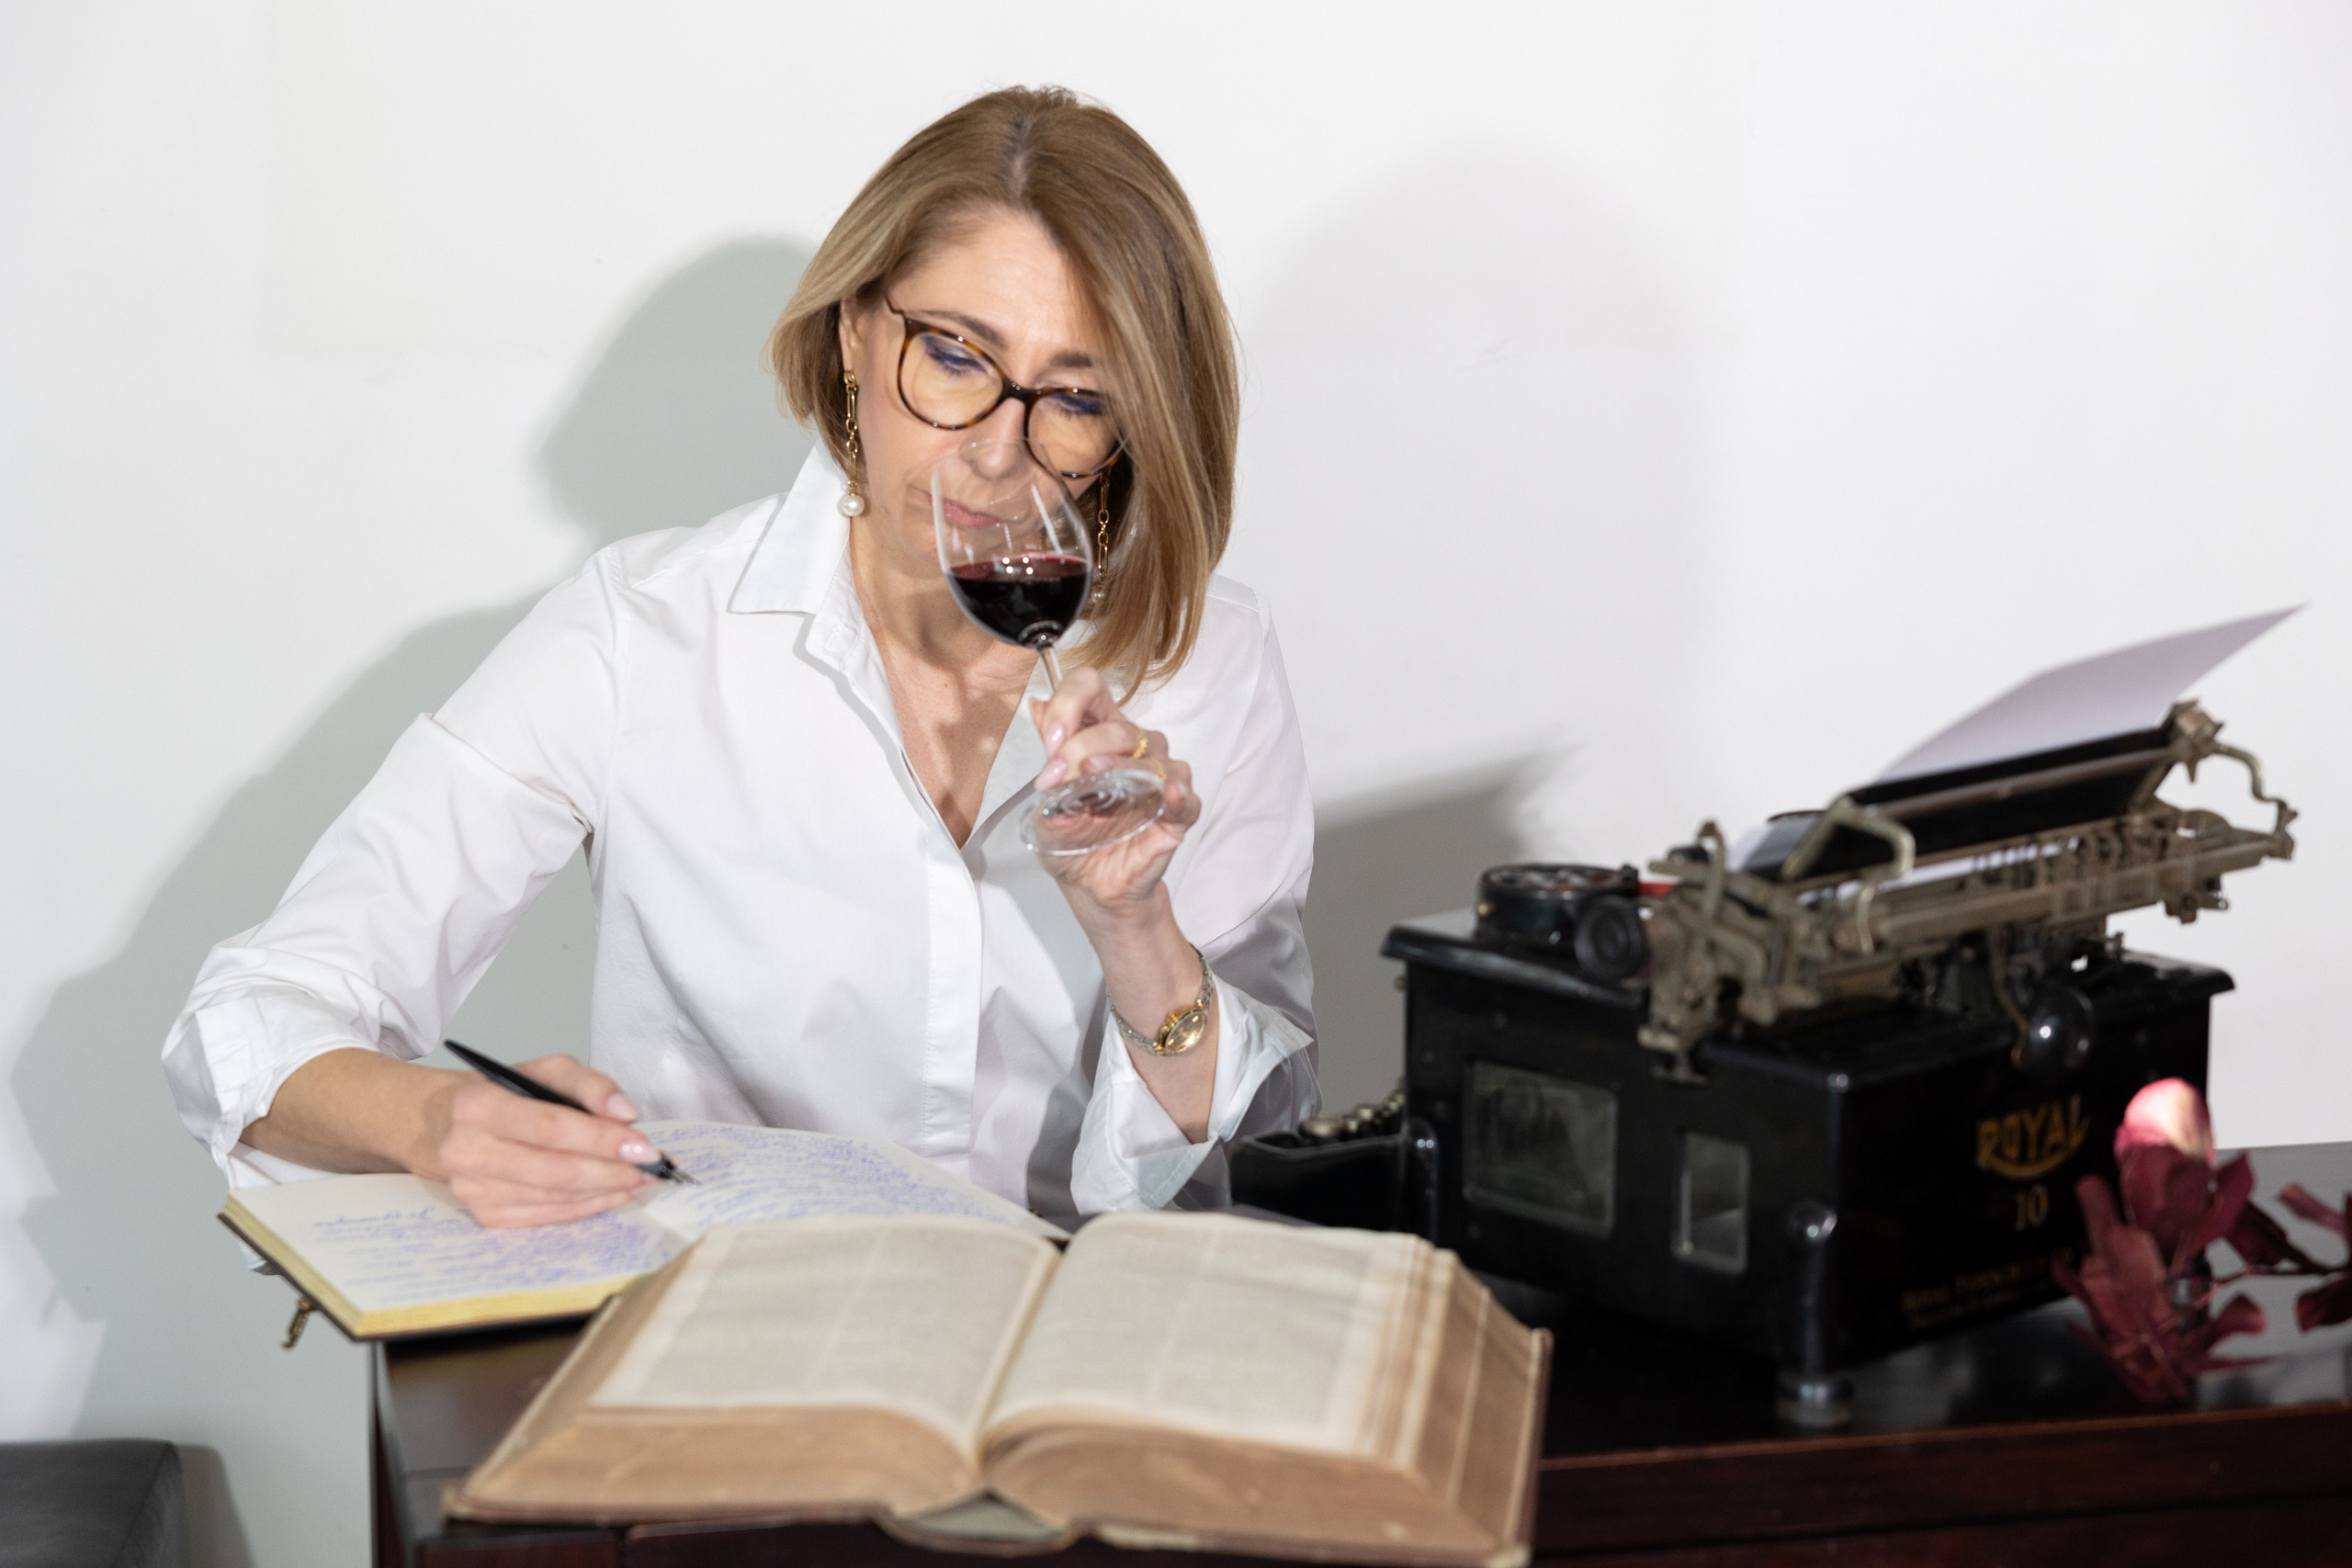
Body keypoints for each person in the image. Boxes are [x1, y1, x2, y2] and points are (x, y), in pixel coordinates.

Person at [162, 86, 1317, 1224]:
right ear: (857, 331)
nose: (997, 455)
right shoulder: (642, 633)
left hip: (1072, 1346)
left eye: (1073, 397)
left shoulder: (1208, 658)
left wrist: (1135, 931)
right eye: (958, 358)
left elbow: (1256, 1154)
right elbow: (245, 1023)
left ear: (1128, 429)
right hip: (725, 1343)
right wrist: (436, 1122)